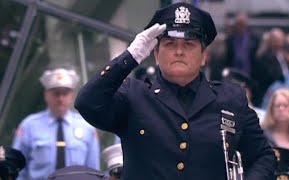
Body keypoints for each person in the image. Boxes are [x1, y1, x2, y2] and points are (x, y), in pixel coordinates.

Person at [74, 2, 276, 180]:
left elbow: (263, 156)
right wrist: (129, 57)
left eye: (189, 44)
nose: (179, 51)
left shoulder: (231, 99)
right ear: (155, 53)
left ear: (203, 56)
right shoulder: (133, 95)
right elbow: (87, 103)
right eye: (170, 44)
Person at [12, 68, 100, 180]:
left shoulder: (87, 127)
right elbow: (18, 170)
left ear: (72, 95)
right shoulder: (29, 126)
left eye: (65, 93)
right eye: (56, 93)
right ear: (46, 95)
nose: (60, 98)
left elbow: (93, 172)